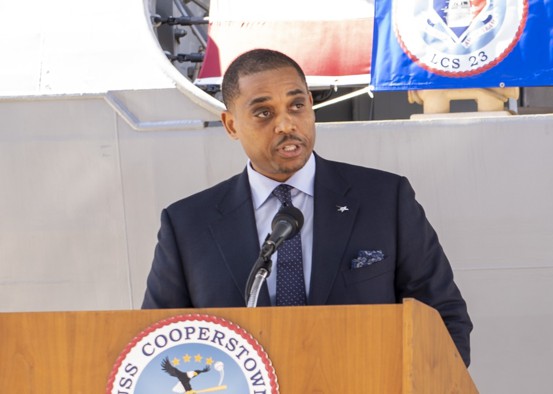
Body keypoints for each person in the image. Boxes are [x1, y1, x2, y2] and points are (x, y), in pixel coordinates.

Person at [141, 49, 472, 365]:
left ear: (311, 106)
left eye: (296, 105)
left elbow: (442, 318)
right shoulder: (187, 225)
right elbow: (158, 345)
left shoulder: (385, 199)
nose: (286, 124)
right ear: (231, 125)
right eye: (263, 112)